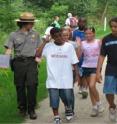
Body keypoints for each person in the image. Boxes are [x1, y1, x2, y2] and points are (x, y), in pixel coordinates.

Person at [36, 27, 79, 124]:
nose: (60, 38)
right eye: (56, 36)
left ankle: (68, 107)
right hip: (52, 79)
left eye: (60, 35)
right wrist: (45, 42)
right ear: (52, 37)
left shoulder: (69, 46)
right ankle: (56, 117)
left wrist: (76, 75)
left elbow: (74, 62)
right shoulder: (48, 46)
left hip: (66, 78)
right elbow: (38, 55)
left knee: (68, 98)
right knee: (54, 100)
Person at [4, 12, 41, 119]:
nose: (33, 24)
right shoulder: (13, 35)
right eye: (31, 22)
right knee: (20, 86)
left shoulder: (36, 34)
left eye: (33, 22)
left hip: (31, 62)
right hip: (19, 63)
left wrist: (38, 61)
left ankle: (32, 109)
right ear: (24, 23)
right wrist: (4, 64)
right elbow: (8, 49)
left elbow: (39, 49)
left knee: (32, 85)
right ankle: (22, 108)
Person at [79, 27, 104, 117]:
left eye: (90, 33)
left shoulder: (98, 42)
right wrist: (78, 46)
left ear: (94, 33)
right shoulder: (83, 43)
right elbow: (79, 56)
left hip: (95, 67)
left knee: (92, 85)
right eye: (86, 34)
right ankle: (94, 107)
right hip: (86, 66)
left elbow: (103, 53)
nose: (88, 35)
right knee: (90, 88)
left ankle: (99, 104)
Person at [96, 17, 117, 122]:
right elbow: (101, 56)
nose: (113, 29)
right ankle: (112, 106)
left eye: (116, 27)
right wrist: (98, 71)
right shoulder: (106, 39)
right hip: (111, 68)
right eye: (112, 26)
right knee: (108, 91)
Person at [73, 17, 88, 98]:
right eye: (80, 22)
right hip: (78, 55)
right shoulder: (75, 32)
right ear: (78, 23)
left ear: (85, 23)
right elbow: (72, 43)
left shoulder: (87, 31)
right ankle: (81, 86)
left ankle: (85, 88)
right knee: (80, 72)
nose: (82, 24)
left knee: (85, 72)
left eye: (84, 22)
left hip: (86, 55)